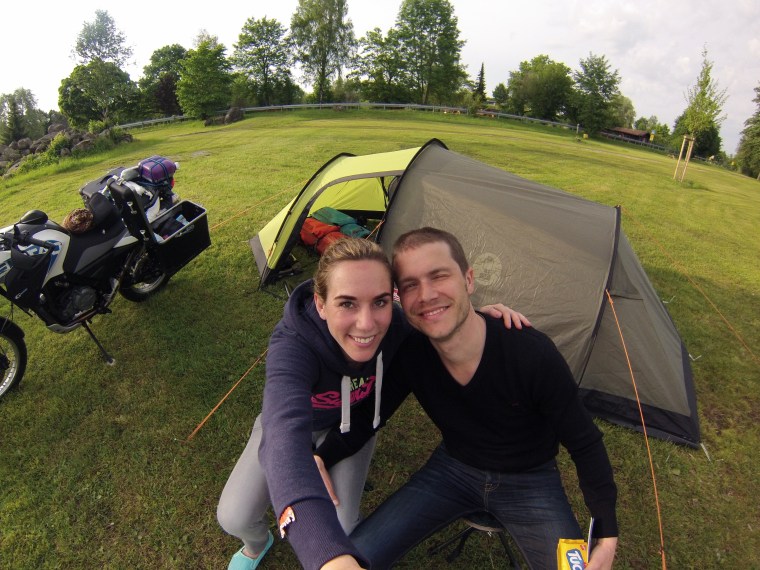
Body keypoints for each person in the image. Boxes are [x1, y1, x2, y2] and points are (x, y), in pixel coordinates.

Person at [216, 237, 527, 570]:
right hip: (300, 426)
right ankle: (257, 544)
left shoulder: (399, 328)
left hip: (354, 427)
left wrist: (480, 320)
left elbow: (444, 324)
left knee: (345, 528)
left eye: (379, 302)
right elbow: (282, 438)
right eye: (347, 303)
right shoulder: (293, 344)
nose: (367, 323)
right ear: (321, 304)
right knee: (234, 517)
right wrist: (323, 553)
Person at [318, 227, 618, 570]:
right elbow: (372, 416)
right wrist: (321, 457)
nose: (427, 295)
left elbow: (585, 443)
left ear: (469, 280)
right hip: (452, 470)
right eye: (411, 285)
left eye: (439, 276)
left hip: (532, 481)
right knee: (354, 559)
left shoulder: (530, 354)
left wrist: (606, 535)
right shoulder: (412, 354)